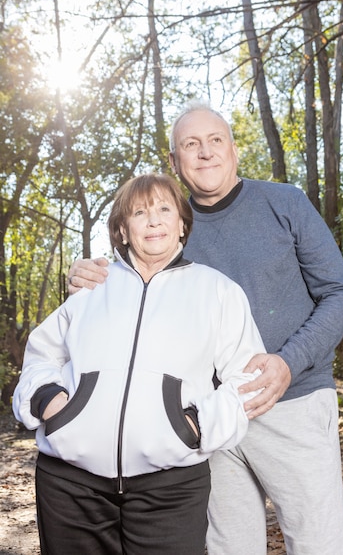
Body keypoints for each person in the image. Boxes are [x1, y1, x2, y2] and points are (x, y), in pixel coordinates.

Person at [67, 101, 343, 555]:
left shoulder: (285, 203)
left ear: (234, 149)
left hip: (292, 404)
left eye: (215, 140)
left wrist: (289, 361)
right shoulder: (168, 224)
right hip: (208, 416)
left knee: (319, 543)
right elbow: (131, 290)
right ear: (174, 161)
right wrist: (87, 272)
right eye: (190, 144)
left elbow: (341, 293)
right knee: (229, 547)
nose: (205, 153)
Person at [13, 172, 267, 555]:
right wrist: (53, 404)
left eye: (165, 209)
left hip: (171, 489)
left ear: (182, 223)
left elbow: (247, 377)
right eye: (139, 212)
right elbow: (41, 356)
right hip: (70, 487)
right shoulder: (91, 286)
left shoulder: (218, 291)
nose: (153, 220)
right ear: (122, 230)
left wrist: (195, 427)